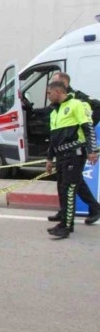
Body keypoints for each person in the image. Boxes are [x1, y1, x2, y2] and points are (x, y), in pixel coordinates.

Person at [45, 82, 100, 238]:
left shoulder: (76, 105)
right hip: (61, 155)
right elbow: (53, 138)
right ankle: (64, 222)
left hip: (74, 153)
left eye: (49, 93)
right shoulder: (54, 112)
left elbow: (87, 128)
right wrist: (49, 158)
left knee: (69, 190)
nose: (48, 96)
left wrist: (91, 150)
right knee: (62, 190)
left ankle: (66, 227)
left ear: (57, 91)